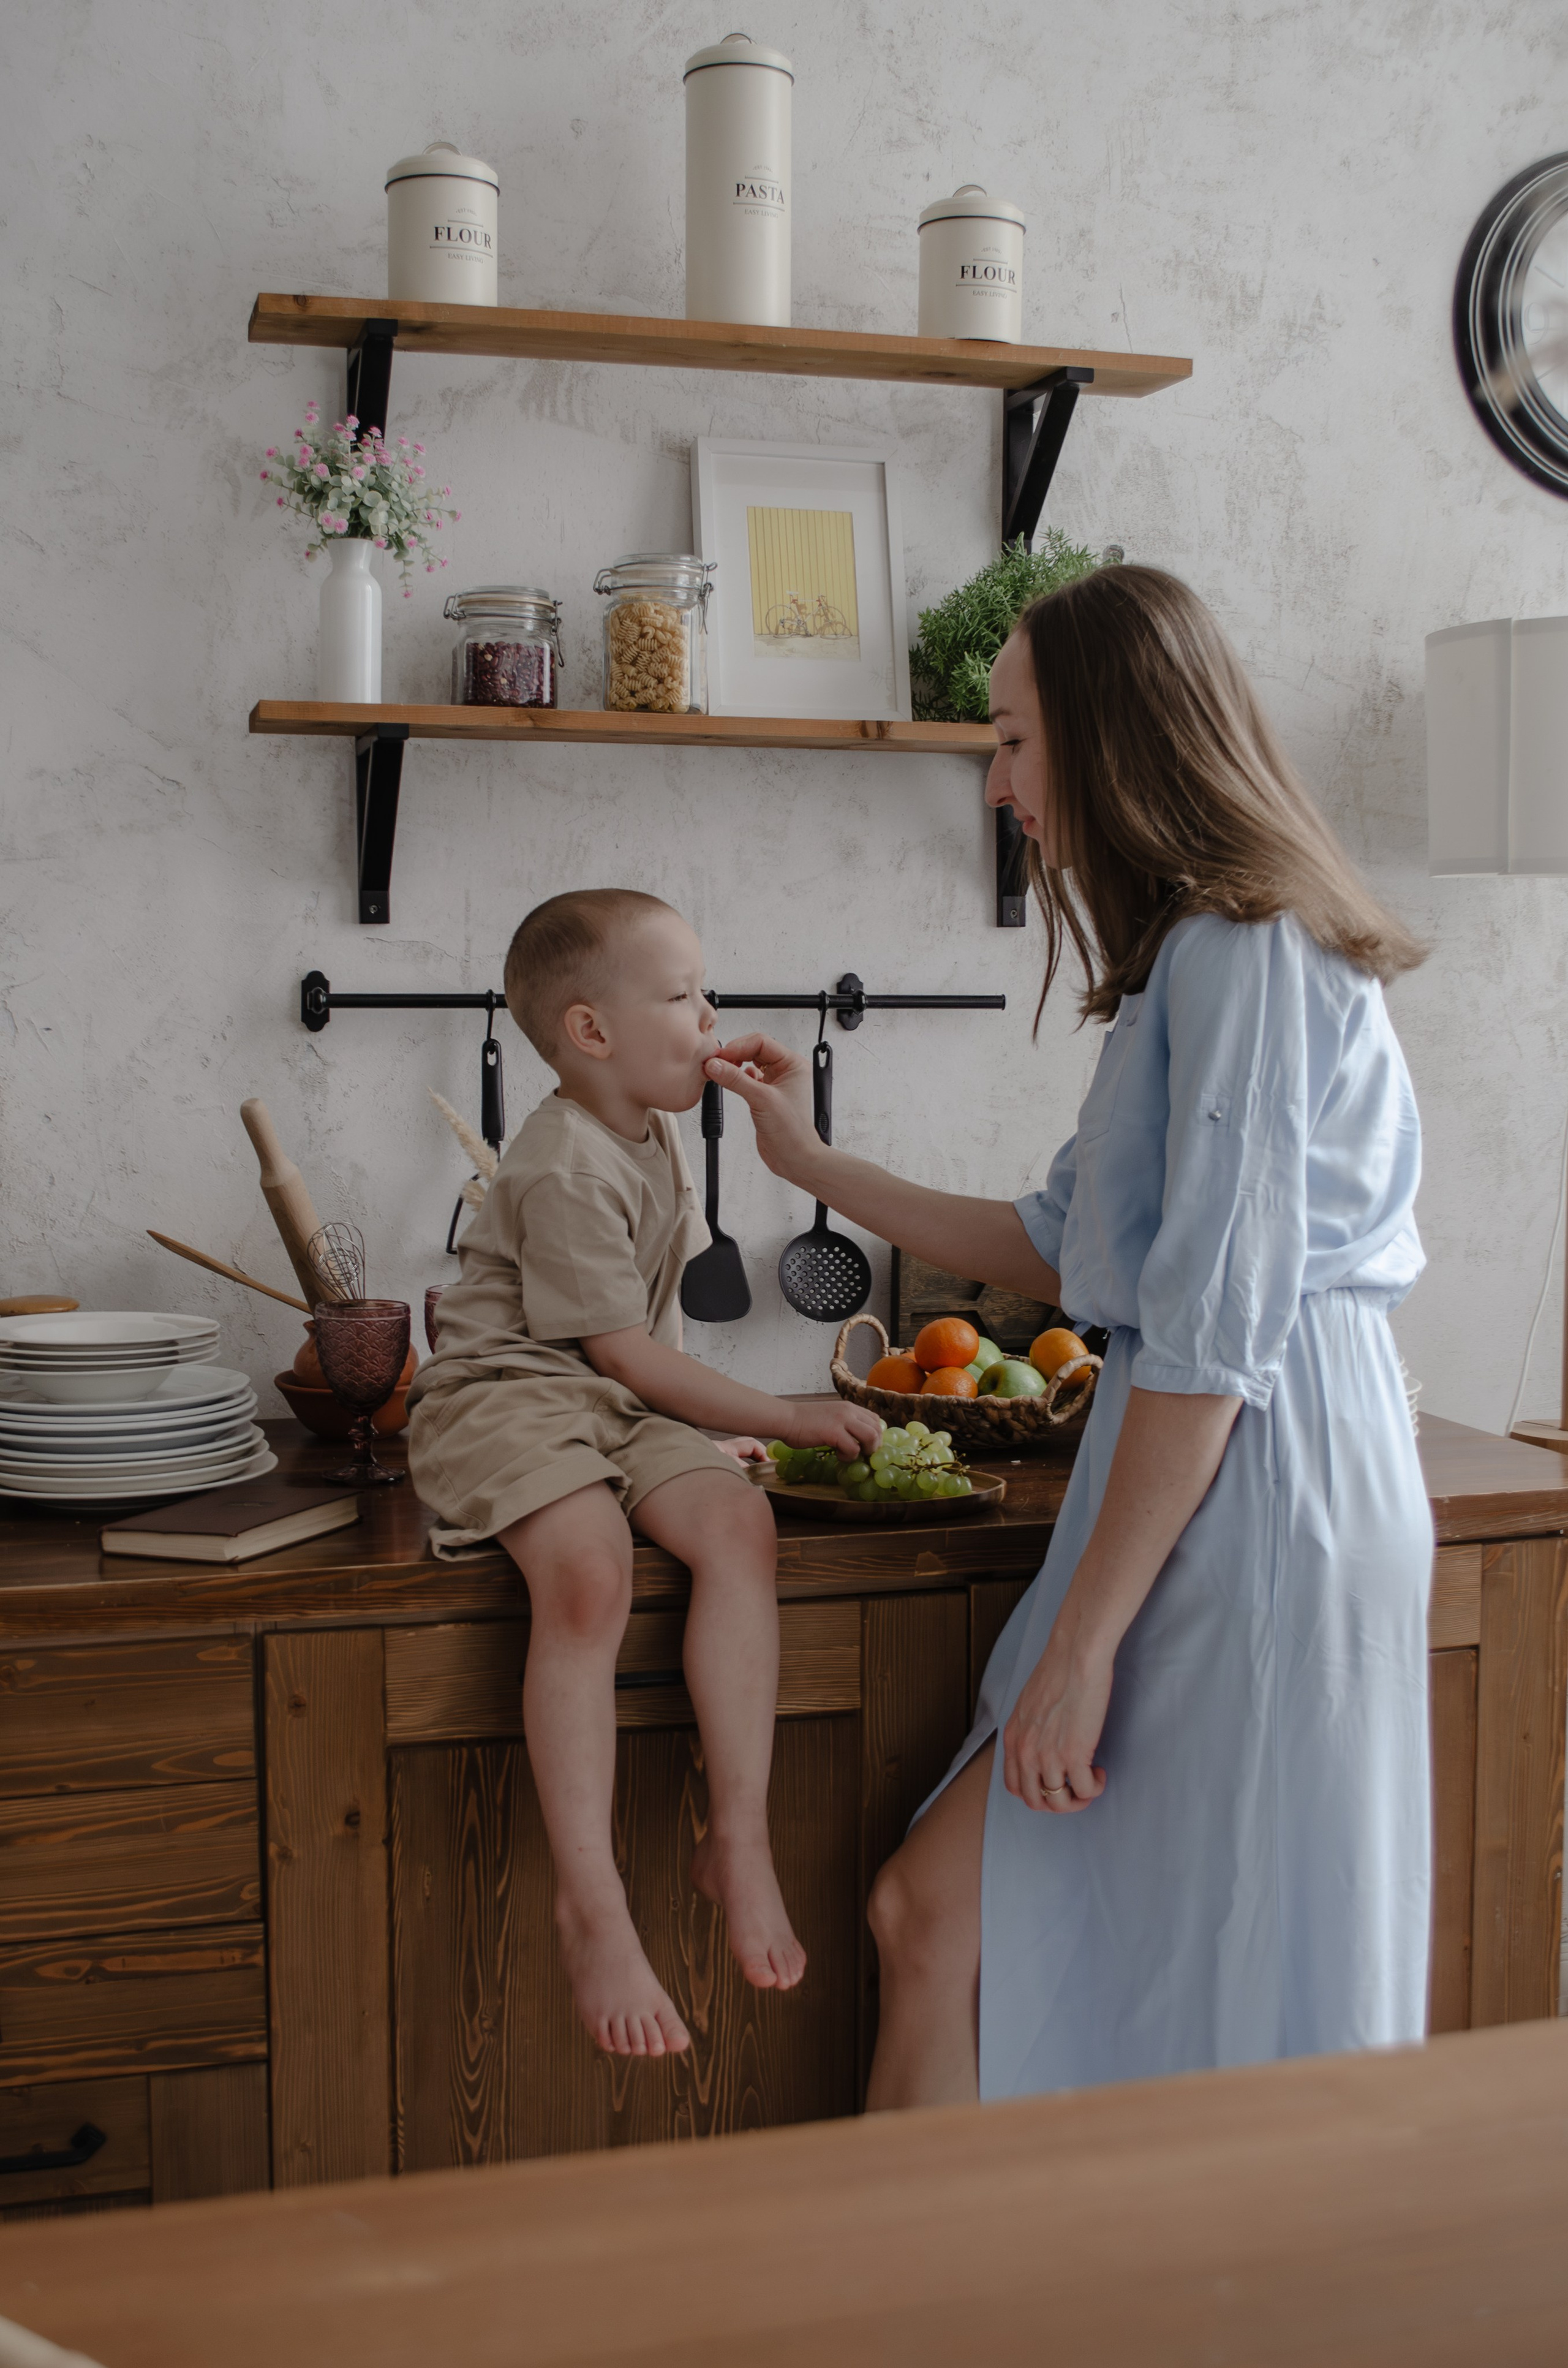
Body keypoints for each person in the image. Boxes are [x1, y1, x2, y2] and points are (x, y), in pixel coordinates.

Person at [707, 565, 1430, 2108]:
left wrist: (1084, 1646)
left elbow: (1214, 1331)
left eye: (1015, 739)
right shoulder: (1198, 958)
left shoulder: (1247, 953)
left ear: (1109, 741)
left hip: (1252, 1485)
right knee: (953, 1921)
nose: (997, 781)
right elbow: (1054, 1244)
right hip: (1207, 1471)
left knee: (1056, 1936)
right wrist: (810, 1163)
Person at [407, 889, 881, 2061]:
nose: (711, 1014)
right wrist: (784, 1411)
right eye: (682, 996)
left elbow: (634, 1351)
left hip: (609, 1398)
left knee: (738, 1526)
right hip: (506, 1399)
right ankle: (590, 1898)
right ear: (592, 1033)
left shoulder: (651, 1127)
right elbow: (619, 1351)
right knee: (587, 1570)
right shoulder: (564, 1160)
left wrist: (700, 1442)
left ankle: (742, 1836)